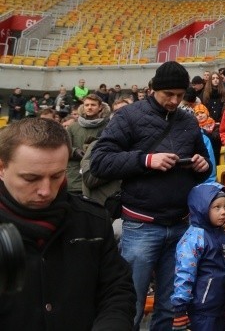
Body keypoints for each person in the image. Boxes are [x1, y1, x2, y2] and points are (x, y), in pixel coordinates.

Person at [91, 61, 211, 330]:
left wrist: (203, 166)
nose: (174, 100)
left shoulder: (188, 120)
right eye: (168, 94)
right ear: (153, 89)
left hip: (180, 224)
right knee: (129, 304)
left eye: (180, 95)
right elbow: (100, 162)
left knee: (170, 306)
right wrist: (147, 160)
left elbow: (201, 164)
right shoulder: (128, 117)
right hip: (141, 225)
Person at [0, 118, 136, 330]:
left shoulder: (92, 220)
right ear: (2, 168)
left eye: (56, 176)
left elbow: (116, 290)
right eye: (30, 178)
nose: (46, 190)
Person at [171, 182, 225, 331]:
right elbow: (184, 272)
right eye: (217, 207)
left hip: (222, 307)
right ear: (202, 208)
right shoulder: (194, 238)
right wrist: (180, 307)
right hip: (202, 309)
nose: (223, 212)